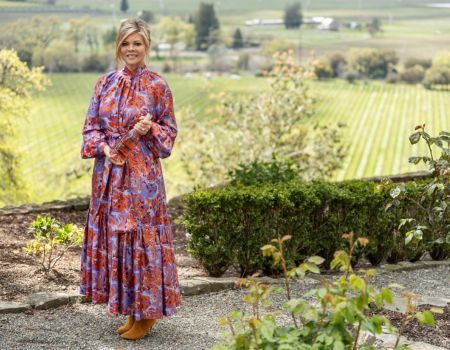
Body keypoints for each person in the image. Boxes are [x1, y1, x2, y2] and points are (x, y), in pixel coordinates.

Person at [79, 18, 181, 340]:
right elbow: (90, 129)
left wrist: (150, 128)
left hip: (142, 180)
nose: (131, 49)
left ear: (146, 46)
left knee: (140, 238)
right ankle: (129, 309)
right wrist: (104, 147)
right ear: (118, 47)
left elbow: (169, 135)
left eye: (137, 43)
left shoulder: (158, 86)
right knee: (117, 240)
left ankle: (147, 313)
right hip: (109, 176)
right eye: (126, 43)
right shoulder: (104, 83)